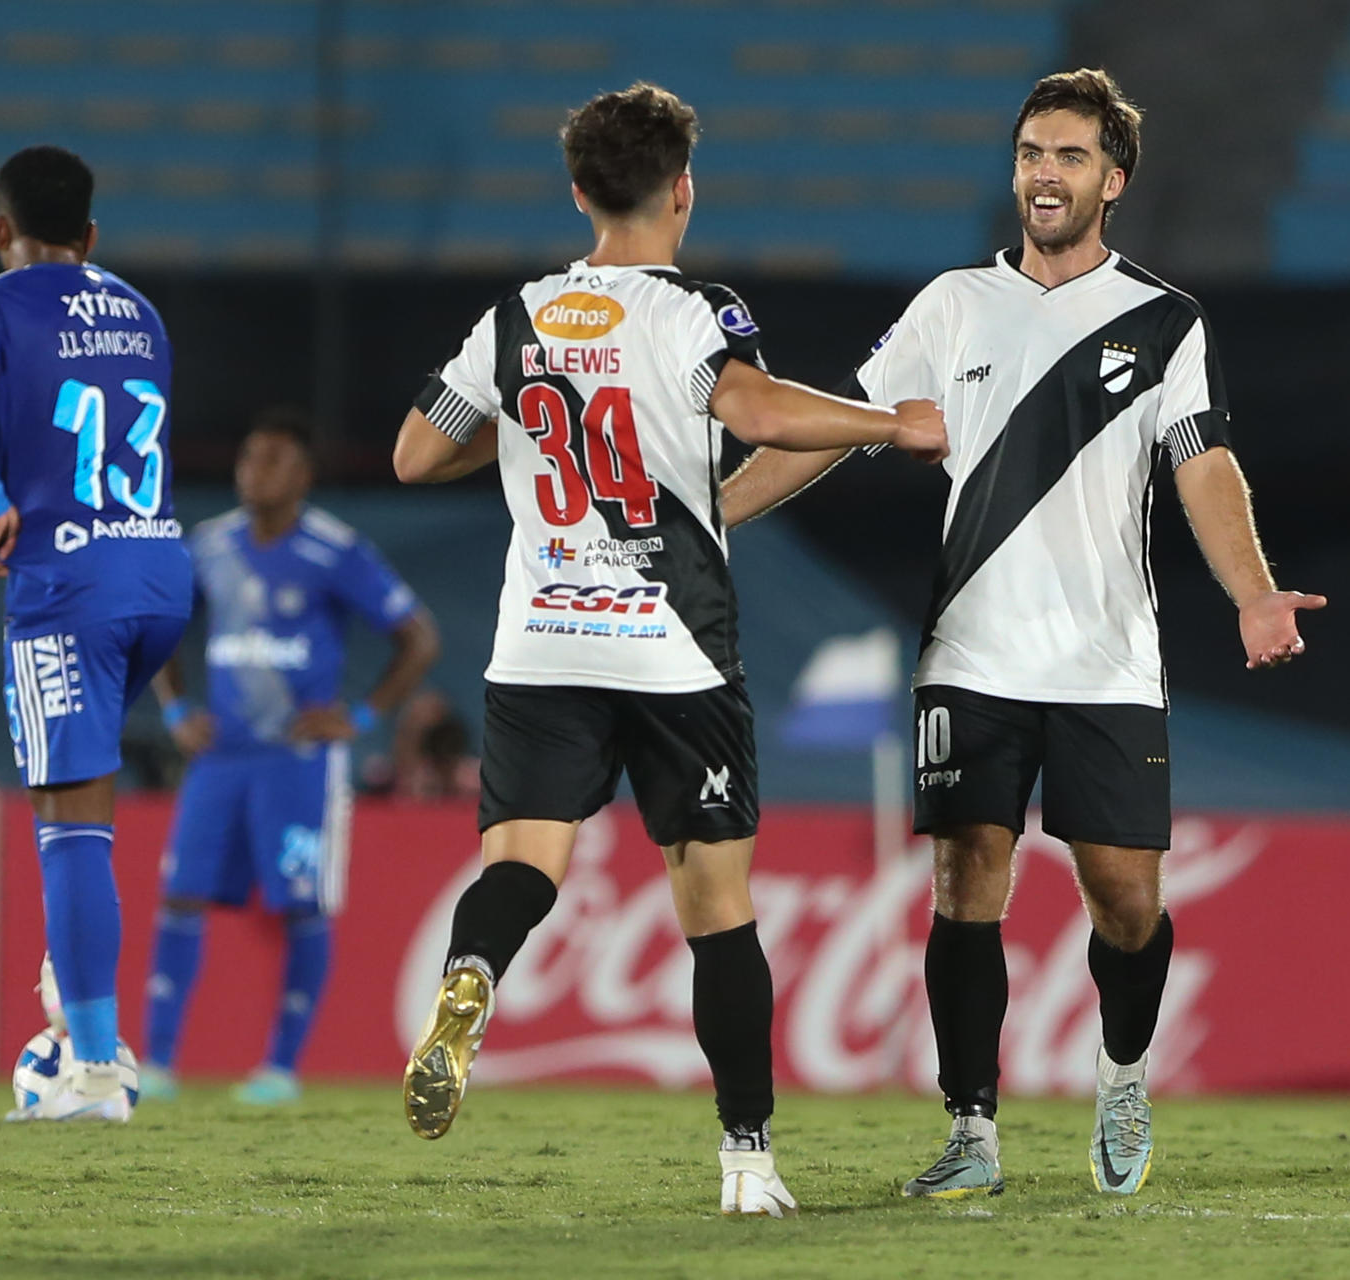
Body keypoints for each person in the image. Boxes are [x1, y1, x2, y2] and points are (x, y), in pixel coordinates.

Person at [721, 69, 1328, 1198]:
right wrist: (714, 516)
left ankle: (1125, 1071)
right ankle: (972, 1133)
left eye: (1068, 157)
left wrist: (1253, 591)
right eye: (1030, 154)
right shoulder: (951, 304)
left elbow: (1204, 464)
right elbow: (837, 430)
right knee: (965, 886)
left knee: (1127, 900)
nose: (1044, 175)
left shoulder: (1164, 321)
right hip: (972, 655)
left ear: (1114, 179)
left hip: (1105, 662)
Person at [390, 82, 946, 1217]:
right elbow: (757, 413)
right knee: (716, 908)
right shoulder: (694, 309)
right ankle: (747, 1161)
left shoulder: (521, 316)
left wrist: (520, 430)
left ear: (580, 192)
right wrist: (894, 423)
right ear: (682, 190)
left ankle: (474, 974)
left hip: (541, 644)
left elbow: (411, 454)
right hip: (671, 650)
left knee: (520, 866)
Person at [0, 146, 193, 1122]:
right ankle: (74, 1002)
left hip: (67, 577)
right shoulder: (140, 310)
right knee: (81, 807)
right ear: (91, 237)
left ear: (2, 230)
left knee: (69, 821)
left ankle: (91, 1069)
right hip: (159, 572)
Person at [145, 409, 440, 1104]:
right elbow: (156, 628)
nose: (256, 471)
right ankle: (156, 1064)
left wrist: (361, 716)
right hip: (221, 758)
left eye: (274, 460)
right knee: (180, 894)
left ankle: (280, 1069)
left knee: (301, 905)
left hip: (299, 762)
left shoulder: (333, 550)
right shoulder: (208, 545)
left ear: (303, 475)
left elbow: (418, 637)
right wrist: (177, 711)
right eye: (249, 458)